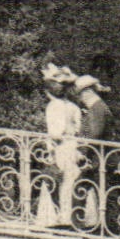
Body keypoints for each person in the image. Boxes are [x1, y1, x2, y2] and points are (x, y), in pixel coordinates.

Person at [36, 64, 81, 227]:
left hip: (60, 147)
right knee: (69, 181)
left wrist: (49, 148)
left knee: (56, 179)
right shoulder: (73, 106)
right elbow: (77, 128)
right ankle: (68, 216)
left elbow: (57, 132)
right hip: (72, 145)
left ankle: (54, 217)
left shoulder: (54, 106)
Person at [73, 74, 111, 227]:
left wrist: (82, 152)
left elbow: (94, 134)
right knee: (84, 188)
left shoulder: (97, 108)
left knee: (104, 193)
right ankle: (78, 223)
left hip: (97, 160)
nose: (81, 99)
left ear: (88, 92)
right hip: (97, 159)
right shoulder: (99, 107)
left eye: (81, 94)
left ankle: (79, 224)